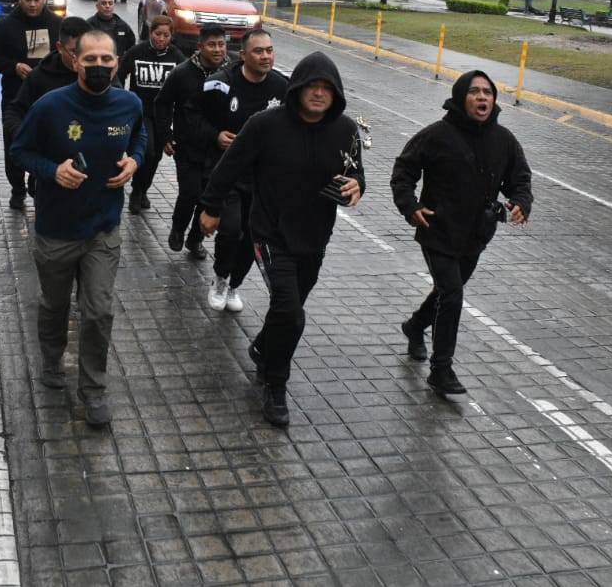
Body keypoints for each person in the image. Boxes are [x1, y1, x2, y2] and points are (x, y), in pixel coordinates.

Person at [200, 52, 365, 427]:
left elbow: (356, 175)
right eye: (312, 87)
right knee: (290, 311)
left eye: (327, 88)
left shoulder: (346, 130)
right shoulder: (265, 124)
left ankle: (261, 347)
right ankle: (275, 384)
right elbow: (229, 167)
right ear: (298, 89)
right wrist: (210, 208)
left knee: (287, 313)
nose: (319, 94)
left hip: (315, 236)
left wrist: (357, 188)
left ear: (336, 93)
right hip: (270, 232)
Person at [11, 29, 146, 428]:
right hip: (56, 230)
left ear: (117, 62)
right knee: (54, 305)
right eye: (91, 60)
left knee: (99, 312)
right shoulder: (50, 106)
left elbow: (141, 136)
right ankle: (52, 357)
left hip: (103, 230)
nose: (99, 67)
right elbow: (20, 151)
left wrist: (135, 161)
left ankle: (93, 390)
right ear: (75, 61)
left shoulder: (129, 103)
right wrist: (54, 171)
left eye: (107, 60)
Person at [391, 70, 533, 397]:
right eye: (474, 92)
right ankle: (441, 370)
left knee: (445, 293)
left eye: (488, 92)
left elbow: (520, 180)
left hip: (476, 235)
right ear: (460, 96)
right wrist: (410, 206)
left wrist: (521, 202)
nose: (482, 97)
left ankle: (414, 327)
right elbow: (404, 171)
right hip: (437, 230)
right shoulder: (436, 135)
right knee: (452, 294)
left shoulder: (504, 140)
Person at [193, 27, 289, 313]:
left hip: (262, 179)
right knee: (232, 229)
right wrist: (215, 135)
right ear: (244, 54)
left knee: (252, 235)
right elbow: (192, 115)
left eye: (269, 50)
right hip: (228, 174)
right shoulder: (220, 84)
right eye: (258, 51)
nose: (265, 56)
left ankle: (235, 284)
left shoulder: (282, 88)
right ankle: (220, 277)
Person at [0, 0, 62, 210]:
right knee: (14, 143)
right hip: (15, 96)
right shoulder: (6, 25)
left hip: (48, 98)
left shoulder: (57, 25)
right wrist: (14, 67)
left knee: (47, 143)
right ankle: (16, 188)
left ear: (44, 0)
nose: (32, 4)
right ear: (20, 0)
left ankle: (37, 180)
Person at [152, 25, 227, 259]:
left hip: (218, 151)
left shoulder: (232, 71)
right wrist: (166, 135)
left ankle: (195, 240)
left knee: (209, 197)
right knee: (190, 193)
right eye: (211, 45)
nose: (217, 50)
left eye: (221, 44)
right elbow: (162, 103)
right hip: (188, 147)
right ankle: (178, 228)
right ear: (200, 47)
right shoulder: (182, 73)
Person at [117, 15, 183, 214]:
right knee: (147, 151)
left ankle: (143, 188)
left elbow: (186, 83)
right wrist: (122, 101)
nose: (161, 39)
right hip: (141, 111)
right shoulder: (137, 52)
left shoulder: (177, 57)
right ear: (150, 32)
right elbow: (119, 75)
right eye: (157, 34)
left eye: (166, 35)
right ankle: (137, 191)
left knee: (156, 157)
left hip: (163, 115)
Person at [1, 16, 90, 143]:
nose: (80, 58)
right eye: (74, 51)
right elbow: (14, 112)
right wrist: (25, 138)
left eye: (85, 52)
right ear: (60, 47)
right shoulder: (40, 76)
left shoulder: (99, 71)